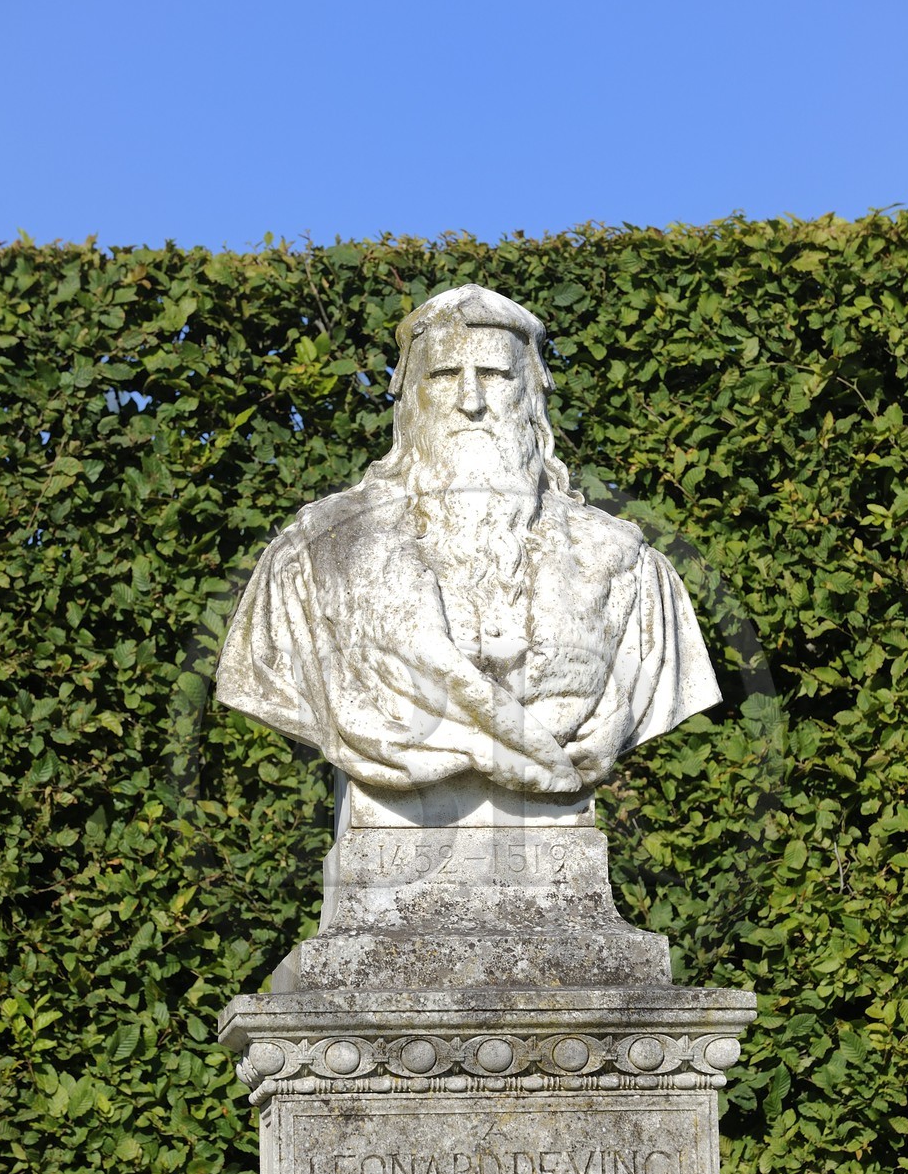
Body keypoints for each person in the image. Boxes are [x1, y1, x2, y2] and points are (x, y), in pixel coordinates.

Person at [216, 284, 720, 795]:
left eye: (497, 376)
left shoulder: (632, 570)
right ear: (411, 398)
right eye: (444, 376)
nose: (471, 401)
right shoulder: (314, 556)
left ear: (531, 397)